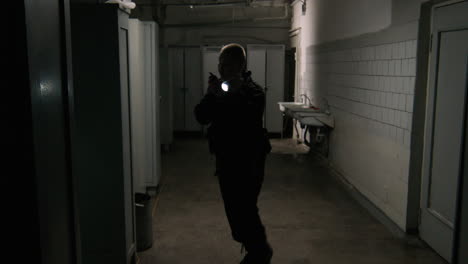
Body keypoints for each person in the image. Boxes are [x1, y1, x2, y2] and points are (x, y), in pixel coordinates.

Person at [194, 43, 273, 264]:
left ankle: (260, 252)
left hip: (250, 161)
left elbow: (246, 116)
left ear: (240, 66)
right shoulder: (219, 89)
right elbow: (201, 116)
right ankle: (252, 246)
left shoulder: (254, 92)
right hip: (226, 160)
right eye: (220, 64)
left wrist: (225, 96)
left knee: (245, 207)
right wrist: (213, 95)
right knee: (234, 210)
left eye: (227, 64)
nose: (222, 69)